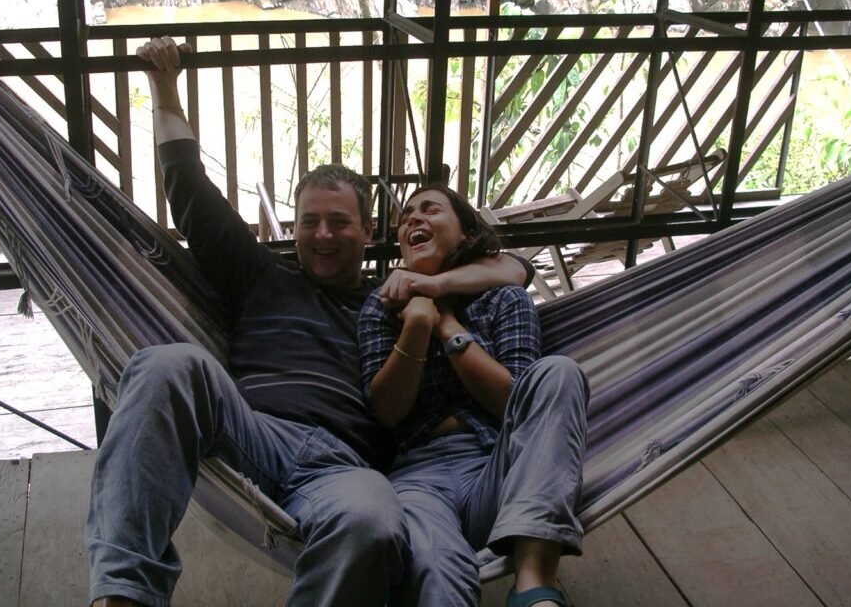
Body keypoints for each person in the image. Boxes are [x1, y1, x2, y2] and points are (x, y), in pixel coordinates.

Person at [85, 37, 531, 607]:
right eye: (309, 222)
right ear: (292, 229)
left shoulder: (395, 301)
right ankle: (123, 596)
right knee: (165, 365)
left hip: (344, 465)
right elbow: (189, 190)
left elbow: (512, 267)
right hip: (250, 429)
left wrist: (431, 289)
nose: (322, 236)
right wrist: (165, 87)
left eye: (339, 223)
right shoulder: (260, 275)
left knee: (373, 522)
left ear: (367, 232)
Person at [358, 184, 590, 607]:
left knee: (558, 373)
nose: (413, 219)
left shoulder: (504, 298)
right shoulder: (383, 305)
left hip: (502, 472)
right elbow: (387, 412)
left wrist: (445, 322)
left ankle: (535, 585)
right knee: (434, 569)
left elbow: (514, 404)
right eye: (406, 217)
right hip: (418, 479)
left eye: (429, 210)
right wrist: (416, 325)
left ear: (466, 233)